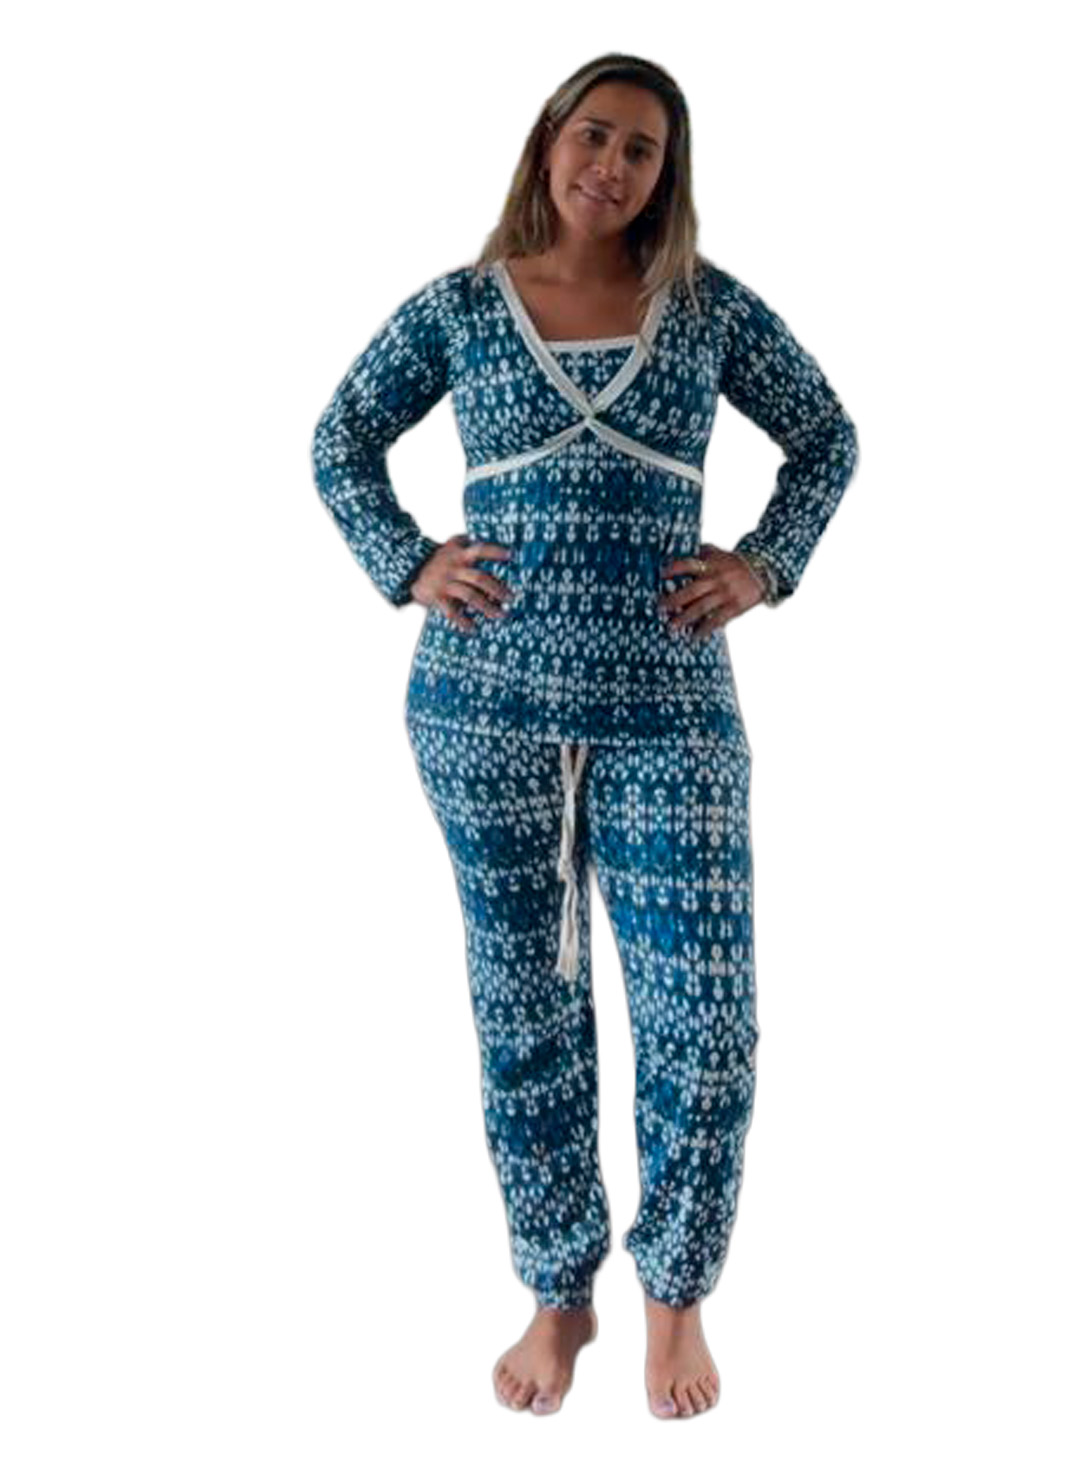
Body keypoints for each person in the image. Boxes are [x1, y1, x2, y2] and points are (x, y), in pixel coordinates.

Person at [310, 52, 859, 1421]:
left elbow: (827, 436)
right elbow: (340, 439)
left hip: (669, 709)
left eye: (642, 150)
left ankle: (677, 1293)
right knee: (526, 1011)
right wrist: (408, 560)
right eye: (595, 135)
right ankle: (562, 1292)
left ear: (667, 176)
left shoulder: (706, 311)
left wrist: (765, 565)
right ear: (550, 140)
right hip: (482, 709)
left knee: (704, 1021)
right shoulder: (461, 308)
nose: (612, 166)